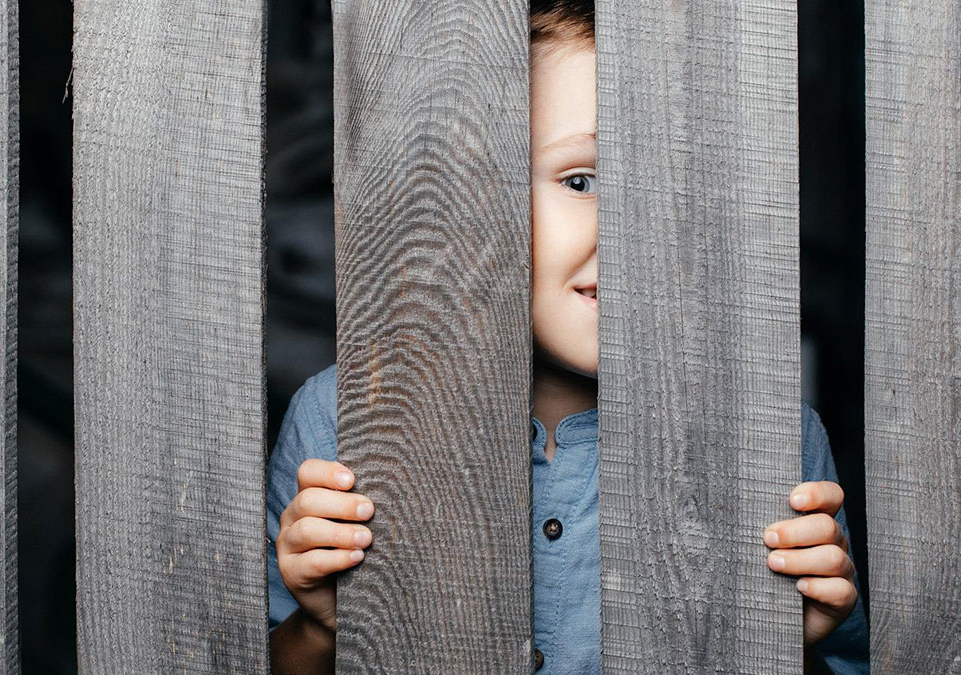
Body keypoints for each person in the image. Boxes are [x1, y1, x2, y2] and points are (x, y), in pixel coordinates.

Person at [267, 1, 870, 673]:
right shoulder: (337, 420)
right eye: (581, 179)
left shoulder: (775, 435)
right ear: (472, 187)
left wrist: (797, 642)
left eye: (671, 184)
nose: (632, 224)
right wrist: (322, 627)